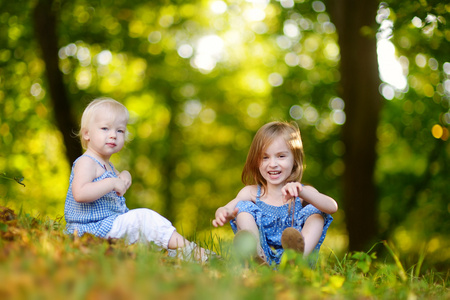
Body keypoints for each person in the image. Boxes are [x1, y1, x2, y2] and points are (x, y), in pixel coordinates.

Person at [64, 98, 211, 263]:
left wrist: (125, 175)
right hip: (91, 230)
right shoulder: (87, 162)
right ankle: (192, 251)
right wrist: (112, 183)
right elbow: (80, 193)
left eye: (120, 131)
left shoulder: (108, 166)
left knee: (148, 238)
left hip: (108, 227)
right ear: (87, 134)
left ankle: (183, 255)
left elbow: (117, 180)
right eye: (105, 128)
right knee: (144, 218)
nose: (113, 135)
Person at [212, 121, 338, 265]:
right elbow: (228, 208)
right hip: (264, 259)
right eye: (265, 157)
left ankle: (296, 259)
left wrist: (302, 192)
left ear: (295, 160)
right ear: (256, 161)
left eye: (281, 156)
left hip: (295, 262)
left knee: (316, 211)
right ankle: (257, 257)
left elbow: (332, 207)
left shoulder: (302, 192)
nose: (272, 164)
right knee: (242, 208)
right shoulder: (251, 192)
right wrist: (223, 212)